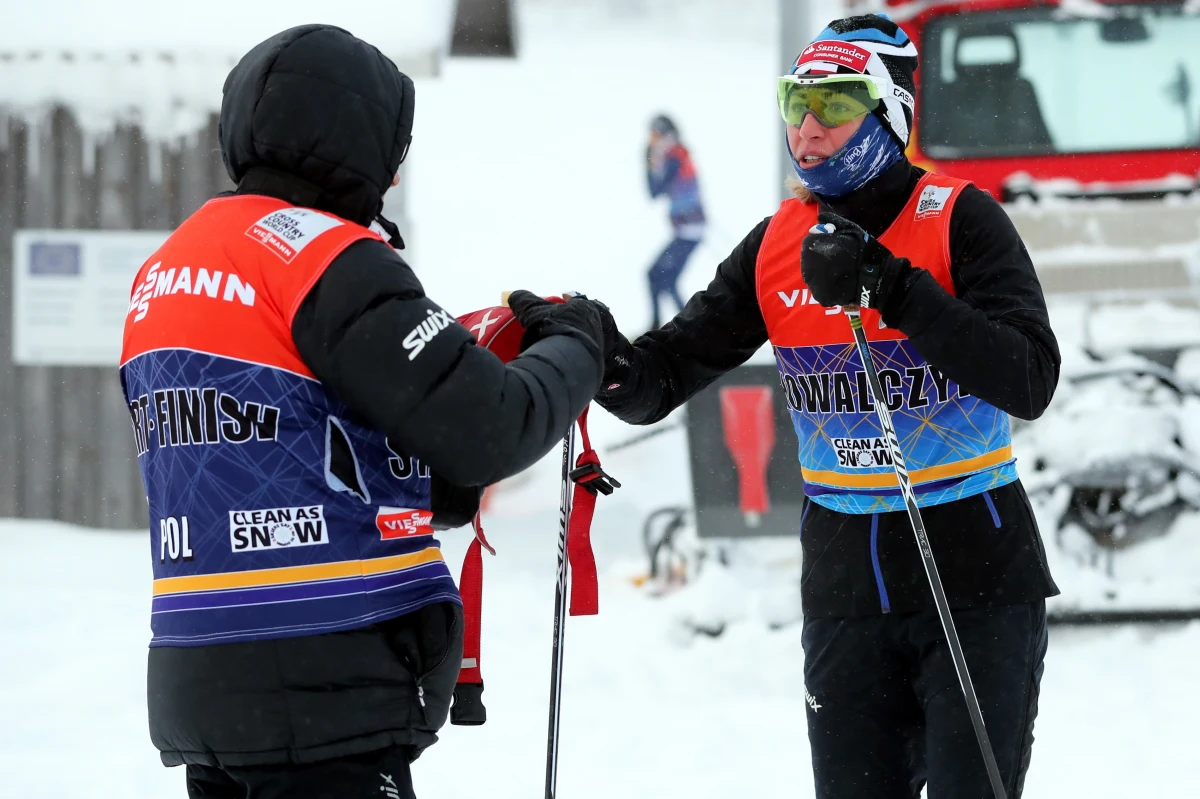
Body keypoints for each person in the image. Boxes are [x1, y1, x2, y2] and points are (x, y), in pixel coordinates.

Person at [548, 14, 1061, 799]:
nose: (810, 126)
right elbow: (662, 376)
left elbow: (1030, 377)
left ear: (889, 111)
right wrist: (596, 353)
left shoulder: (960, 219)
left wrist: (892, 288)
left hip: (976, 573)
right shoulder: (775, 242)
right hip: (846, 584)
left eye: (837, 104)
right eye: (796, 104)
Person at [119, 25, 606, 799]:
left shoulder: (172, 265)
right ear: (359, 139)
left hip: (205, 677)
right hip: (322, 684)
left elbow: (292, 453)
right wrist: (577, 346)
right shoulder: (321, 255)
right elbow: (491, 429)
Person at [645, 114, 706, 329]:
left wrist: (648, 160)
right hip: (689, 229)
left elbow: (655, 190)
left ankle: (665, 327)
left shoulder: (673, 155)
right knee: (665, 279)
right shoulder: (676, 152)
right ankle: (688, 327)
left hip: (689, 230)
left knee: (655, 275)